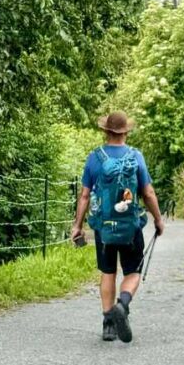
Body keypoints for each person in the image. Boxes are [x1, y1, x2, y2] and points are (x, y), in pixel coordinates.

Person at [71, 111, 165, 344]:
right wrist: (158, 219)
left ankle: (108, 324)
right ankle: (122, 305)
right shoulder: (136, 156)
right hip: (131, 227)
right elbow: (148, 192)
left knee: (108, 273)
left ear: (106, 131)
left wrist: (77, 226)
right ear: (126, 132)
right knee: (133, 272)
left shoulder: (95, 157)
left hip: (104, 227)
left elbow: (84, 196)